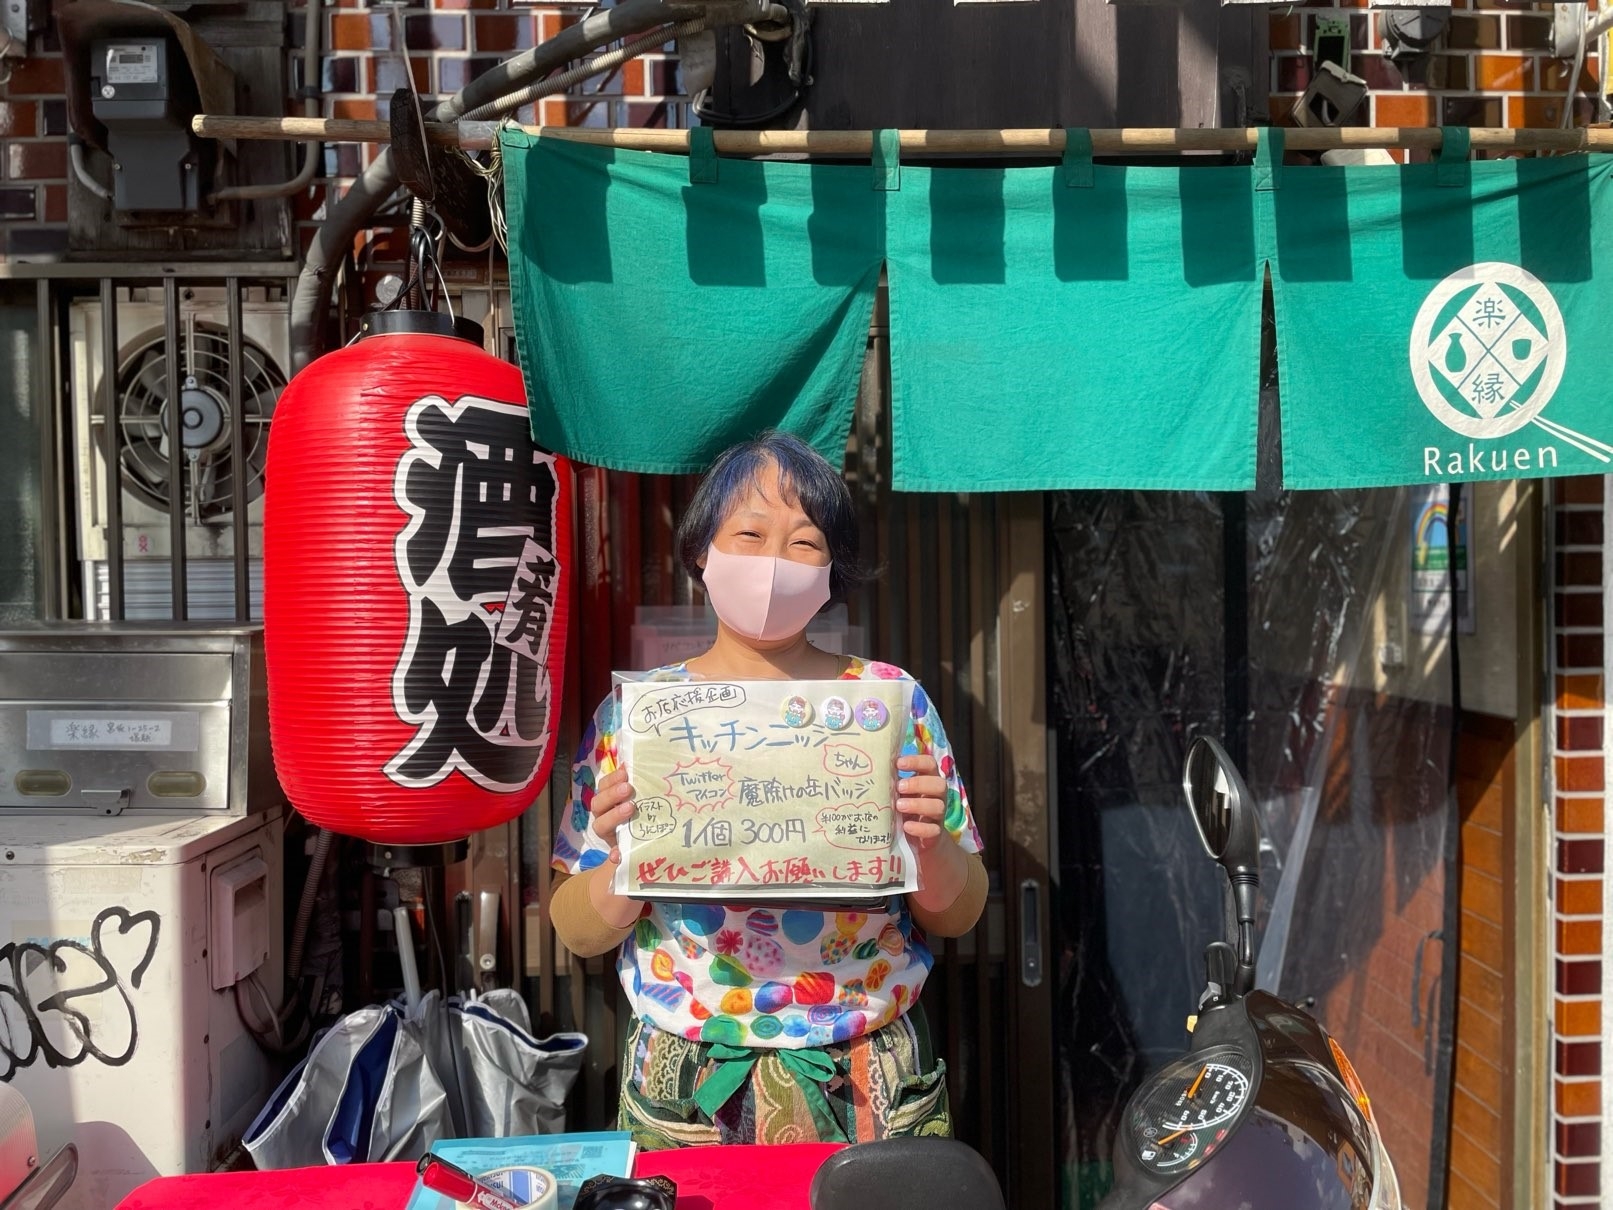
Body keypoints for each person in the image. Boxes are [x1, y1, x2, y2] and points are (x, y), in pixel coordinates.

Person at [549, 431, 988, 1149]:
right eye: (748, 534)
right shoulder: (641, 716)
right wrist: (627, 859)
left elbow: (957, 912)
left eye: (805, 544)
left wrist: (930, 845)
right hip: (686, 1077)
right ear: (702, 552)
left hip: (864, 1063)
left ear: (831, 570)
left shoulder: (885, 702)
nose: (772, 566)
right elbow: (576, 928)